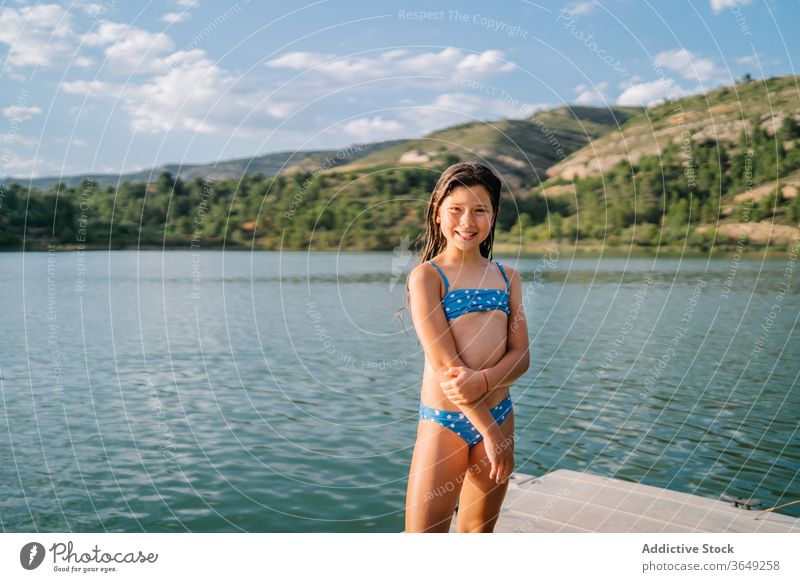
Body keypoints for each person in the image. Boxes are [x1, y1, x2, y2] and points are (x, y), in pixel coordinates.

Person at [402, 162, 530, 533]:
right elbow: (448, 370)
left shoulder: (507, 277)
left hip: (501, 411)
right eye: (456, 209)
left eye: (480, 210)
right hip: (446, 423)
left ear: (493, 215)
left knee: (478, 533)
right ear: (437, 213)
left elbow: (521, 355)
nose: (467, 221)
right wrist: (491, 434)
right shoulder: (427, 277)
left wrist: (486, 381)